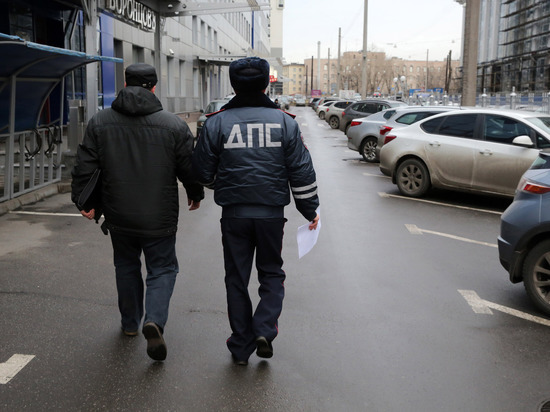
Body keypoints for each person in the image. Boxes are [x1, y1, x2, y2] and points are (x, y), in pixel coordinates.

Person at [71, 63, 204, 361]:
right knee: (163, 268)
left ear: (126, 82)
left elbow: (85, 165)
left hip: (119, 214)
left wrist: (83, 202)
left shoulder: (100, 121)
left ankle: (130, 324)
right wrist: (196, 194)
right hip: (160, 216)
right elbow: (188, 167)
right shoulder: (173, 125)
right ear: (154, 87)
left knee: (126, 266)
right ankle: (154, 320)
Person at [192, 57, 320, 366]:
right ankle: (264, 328)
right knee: (272, 273)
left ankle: (240, 346)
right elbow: (301, 172)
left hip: (233, 214)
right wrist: (310, 210)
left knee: (236, 278)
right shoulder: (285, 122)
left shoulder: (216, 122)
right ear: (266, 84)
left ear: (233, 85)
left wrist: (221, 183)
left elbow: (203, 172)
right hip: (271, 215)